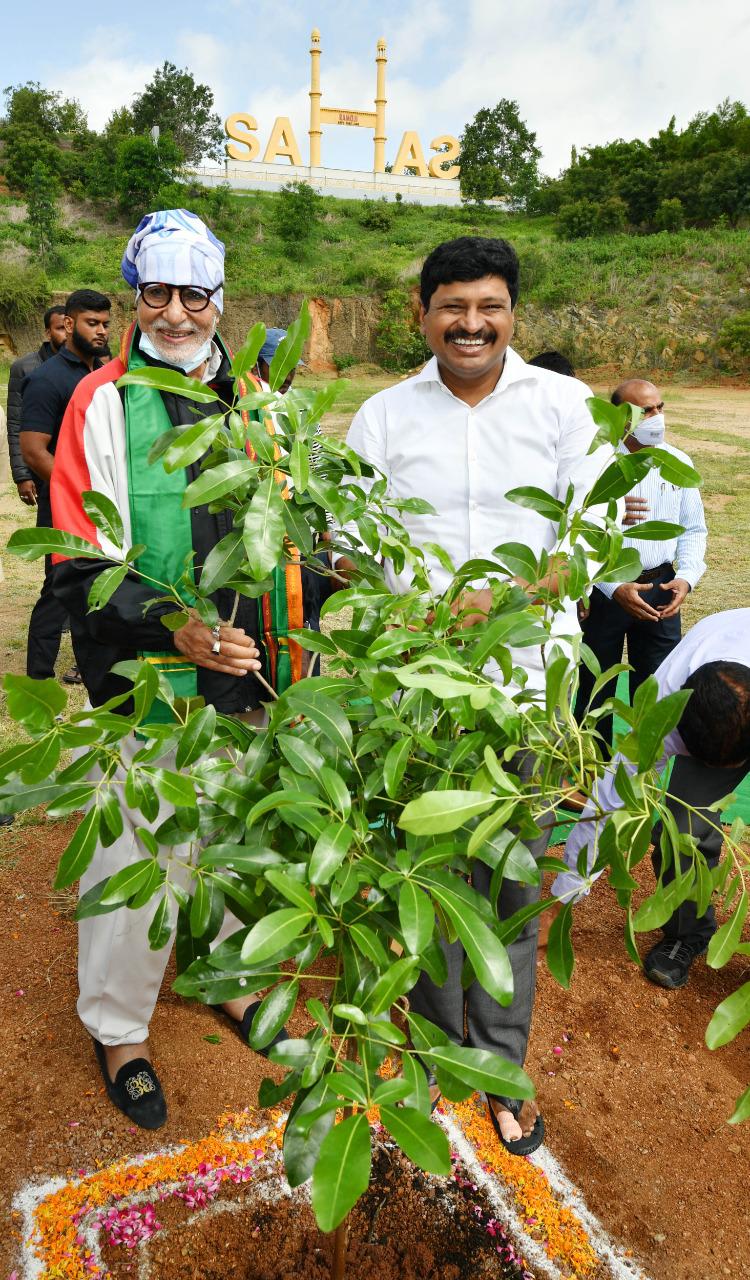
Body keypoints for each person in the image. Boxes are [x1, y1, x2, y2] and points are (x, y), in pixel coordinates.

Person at [335, 235, 616, 1156]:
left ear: (512, 314)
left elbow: (595, 541)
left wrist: (500, 598)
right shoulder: (380, 417)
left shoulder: (567, 408)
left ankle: (499, 1062)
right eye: (452, 306)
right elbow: (348, 546)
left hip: (529, 691)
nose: (471, 323)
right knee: (424, 878)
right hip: (416, 697)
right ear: (423, 312)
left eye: (488, 305)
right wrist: (400, 602)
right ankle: (438, 1044)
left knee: (509, 886)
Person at [50, 210, 307, 1129]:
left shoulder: (260, 405)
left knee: (238, 835)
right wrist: (176, 628)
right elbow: (78, 557)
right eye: (155, 293)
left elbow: (285, 536)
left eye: (192, 294)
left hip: (249, 674)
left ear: (219, 300)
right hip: (144, 676)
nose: (174, 313)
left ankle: (233, 983)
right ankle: (119, 1028)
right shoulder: (104, 401)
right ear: (135, 297)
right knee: (137, 848)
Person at [549, 610, 750, 989]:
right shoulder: (663, 704)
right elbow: (607, 804)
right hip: (715, 717)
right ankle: (685, 934)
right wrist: (561, 904)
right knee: (684, 830)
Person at [575, 378, 707, 755]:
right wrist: (609, 586)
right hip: (606, 588)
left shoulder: (678, 465)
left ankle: (642, 775)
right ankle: (590, 773)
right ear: (621, 419)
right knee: (595, 685)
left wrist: (686, 578)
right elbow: (580, 535)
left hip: (661, 589)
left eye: (659, 407)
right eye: (645, 411)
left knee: (657, 686)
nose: (656, 417)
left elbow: (693, 530)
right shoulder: (596, 466)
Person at [19, 291, 112, 682]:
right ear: (69, 324)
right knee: (58, 592)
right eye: (93, 323)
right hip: (65, 504)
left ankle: (94, 675)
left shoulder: (104, 374)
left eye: (106, 323)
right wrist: (76, 492)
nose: (102, 331)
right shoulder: (46, 378)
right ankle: (39, 680)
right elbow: (34, 450)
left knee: (100, 591)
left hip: (104, 502)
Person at [6, 305, 67, 507]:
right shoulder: (25, 367)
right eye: (60, 328)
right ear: (47, 333)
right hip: (41, 466)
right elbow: (15, 423)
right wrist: (22, 475)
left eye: (70, 327)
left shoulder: (86, 365)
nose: (66, 334)